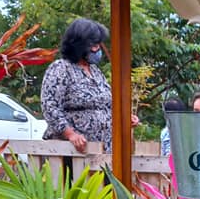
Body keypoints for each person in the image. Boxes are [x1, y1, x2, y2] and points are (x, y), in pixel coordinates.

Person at [41, 18, 139, 154]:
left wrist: (125, 118)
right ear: (78, 45)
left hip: (104, 151)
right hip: (73, 152)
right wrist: (70, 134)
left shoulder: (96, 71)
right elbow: (50, 107)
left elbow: (106, 105)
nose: (97, 49)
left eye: (98, 45)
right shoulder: (61, 68)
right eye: (93, 45)